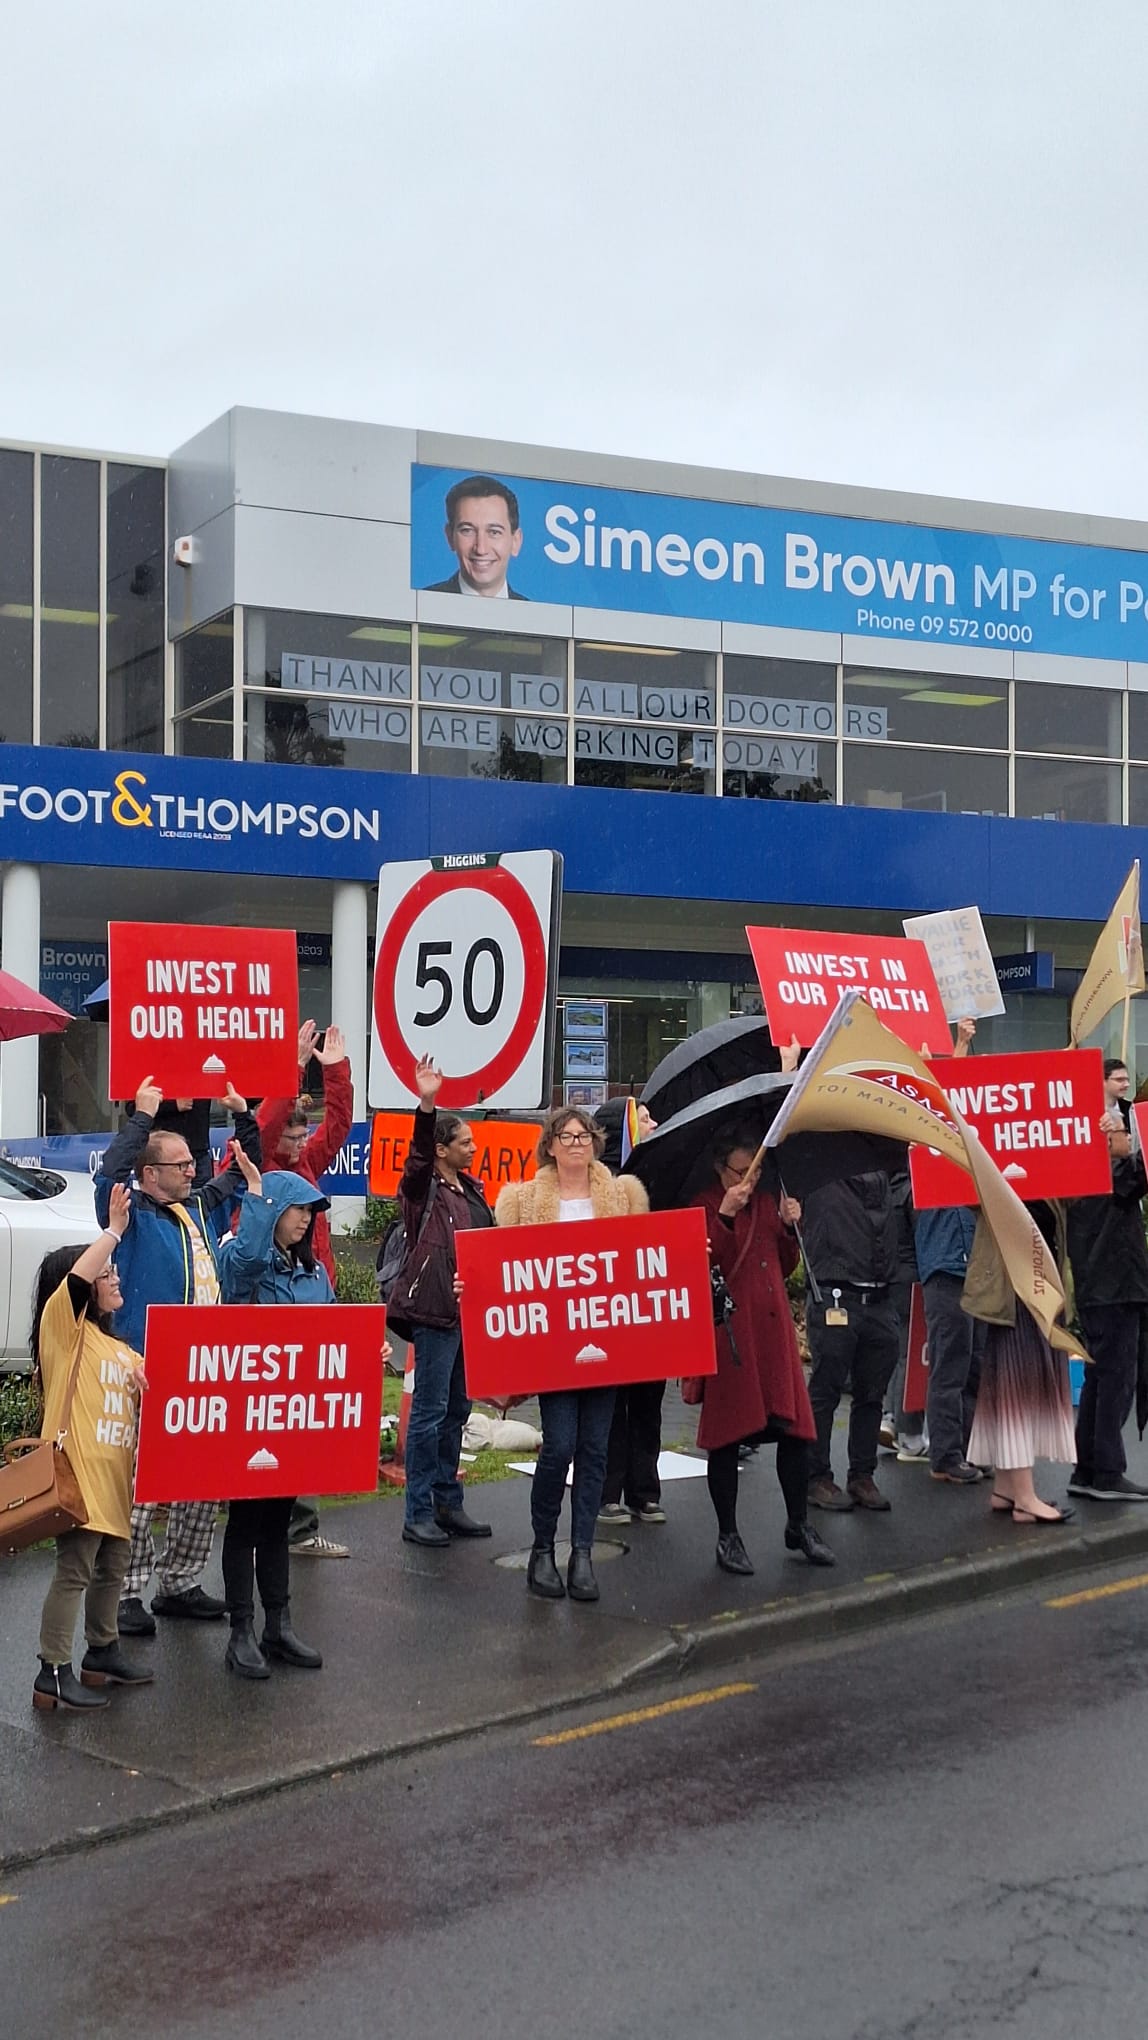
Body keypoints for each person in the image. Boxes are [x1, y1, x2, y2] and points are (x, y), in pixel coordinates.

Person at [95, 1074, 261, 1636]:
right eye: (182, 1165)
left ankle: (181, 1582)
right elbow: (109, 1177)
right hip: (150, 1365)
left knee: (201, 1480)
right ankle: (124, 1591)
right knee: (142, 1487)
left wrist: (243, 1115)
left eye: (193, 1163)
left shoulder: (201, 1207)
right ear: (150, 1174)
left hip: (203, 1369)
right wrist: (141, 1117)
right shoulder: (131, 1215)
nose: (194, 1171)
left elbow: (241, 1171)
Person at [493, 1106, 650, 1602]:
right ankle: (543, 1548)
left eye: (584, 1136)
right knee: (560, 1445)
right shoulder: (522, 1201)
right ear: (551, 1145)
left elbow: (645, 1258)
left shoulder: (623, 1197)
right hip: (552, 1346)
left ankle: (582, 1552)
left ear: (596, 1142)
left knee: (595, 1449)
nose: (577, 1143)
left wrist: (687, 1257)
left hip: (607, 1341)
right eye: (567, 1136)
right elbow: (503, 1270)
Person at [30, 1185, 155, 1711]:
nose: (115, 1277)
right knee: (75, 1572)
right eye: (107, 1273)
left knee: (112, 1570)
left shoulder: (120, 1349)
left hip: (115, 1484)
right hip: (78, 1478)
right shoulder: (65, 1329)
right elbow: (79, 1279)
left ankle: (102, 1652)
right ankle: (52, 1670)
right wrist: (114, 1231)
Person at [692, 1127, 833, 1575]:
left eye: (754, 1171)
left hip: (773, 1336)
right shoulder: (705, 1204)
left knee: (795, 1432)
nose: (749, 1180)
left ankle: (799, 1523)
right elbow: (705, 1263)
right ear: (721, 1169)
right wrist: (726, 1216)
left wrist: (791, 1227)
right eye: (741, 1171)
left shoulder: (770, 1199)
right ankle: (728, 1535)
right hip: (733, 1335)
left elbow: (786, 1263)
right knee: (727, 1437)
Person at [216, 1147, 335, 1678]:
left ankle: (278, 1625)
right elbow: (242, 1267)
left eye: (311, 1210)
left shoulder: (314, 1273)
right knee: (246, 1520)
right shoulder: (244, 1264)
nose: (306, 1219)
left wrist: (364, 1350)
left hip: (293, 1415)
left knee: (278, 1518)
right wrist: (259, 1197)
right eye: (297, 1208)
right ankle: (240, 1632)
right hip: (249, 1415)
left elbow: (332, 1329)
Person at [256, 1019, 354, 1558]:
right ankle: (270, 1525)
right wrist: (293, 1069)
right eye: (291, 1137)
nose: (298, 1144)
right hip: (273, 1307)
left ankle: (300, 1527)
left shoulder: (309, 1163)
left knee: (308, 1415)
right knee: (272, 1418)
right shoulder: (258, 1166)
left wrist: (335, 1071)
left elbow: (337, 1125)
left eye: (301, 1136)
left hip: (316, 1302)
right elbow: (267, 1121)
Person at [390, 1057, 495, 1548]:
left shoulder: (473, 1189)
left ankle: (447, 1503)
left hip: (467, 1314)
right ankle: (417, 1513)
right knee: (429, 1414)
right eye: (465, 1143)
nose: (473, 1148)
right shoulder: (421, 1188)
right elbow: (415, 1156)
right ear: (441, 1150)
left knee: (457, 1410)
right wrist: (427, 1103)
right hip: (434, 1313)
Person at [963, 1202, 1076, 1522]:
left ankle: (1007, 1488)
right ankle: (1024, 1498)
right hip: (1015, 1290)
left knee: (1008, 1384)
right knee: (1016, 1389)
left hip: (1036, 1287)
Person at [1067, 1074, 1148, 1501]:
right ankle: (1107, 1471)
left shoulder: (1085, 1175)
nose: (1128, 1139)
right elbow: (1137, 1174)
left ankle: (1088, 1467)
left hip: (1102, 1286)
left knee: (1100, 1378)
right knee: (1115, 1378)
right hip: (1114, 1286)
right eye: (1120, 1132)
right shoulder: (1105, 1172)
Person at [803, 1171, 900, 1512]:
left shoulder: (885, 1174)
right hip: (834, 1293)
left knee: (872, 1393)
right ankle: (815, 1476)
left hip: (879, 1296)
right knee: (826, 1390)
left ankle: (862, 1474)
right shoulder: (817, 1174)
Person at [594, 1096, 666, 1526]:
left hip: (649, 1311)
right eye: (644, 1119)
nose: (653, 1124)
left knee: (648, 1404)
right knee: (612, 1407)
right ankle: (608, 1493)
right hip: (610, 1312)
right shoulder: (596, 1187)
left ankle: (645, 1491)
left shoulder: (662, 1178)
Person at [915, 1201, 985, 1483]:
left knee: (975, 1365)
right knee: (949, 1364)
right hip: (945, 1268)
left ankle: (967, 1449)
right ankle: (946, 1455)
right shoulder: (926, 1176)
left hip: (977, 1268)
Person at [425, 475, 528, 599]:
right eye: (467, 531)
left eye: (494, 532)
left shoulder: (533, 611)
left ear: (516, 541)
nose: (481, 549)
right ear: (450, 537)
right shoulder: (422, 602)